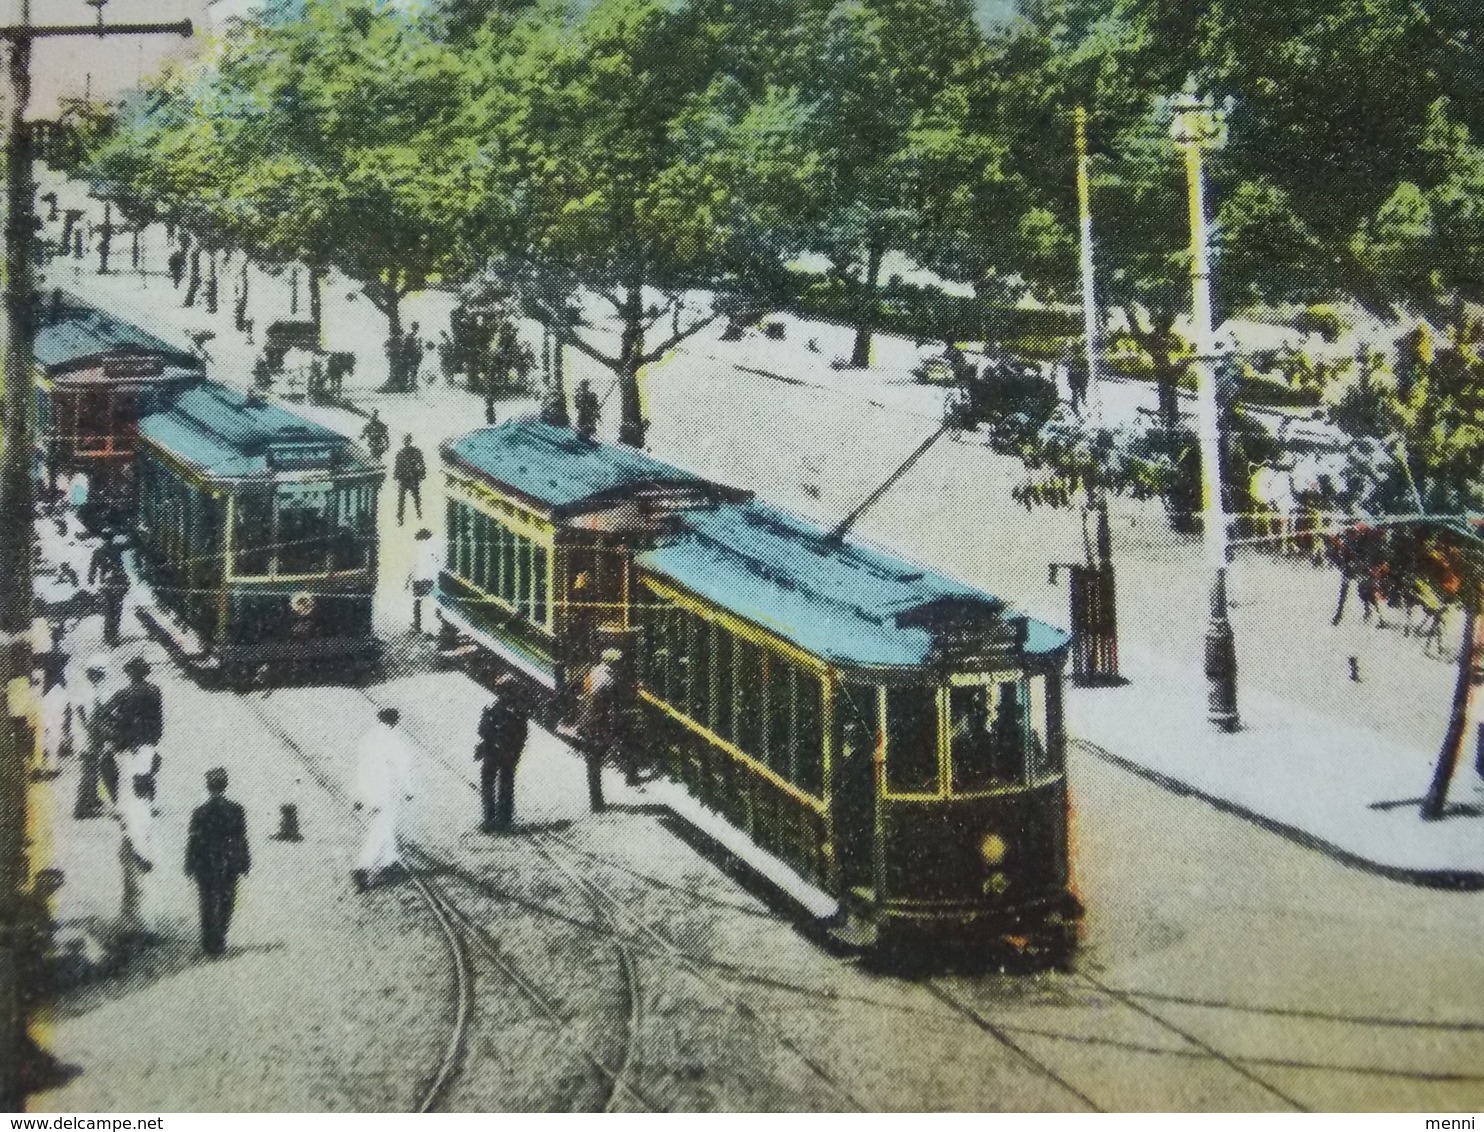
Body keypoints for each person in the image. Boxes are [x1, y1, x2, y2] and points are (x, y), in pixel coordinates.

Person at [185, 768, 251, 956]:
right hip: (228, 863)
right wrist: (244, 862)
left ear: (208, 786)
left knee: (206, 901)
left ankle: (208, 942)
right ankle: (220, 938)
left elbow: (193, 840)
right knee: (226, 901)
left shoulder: (200, 812)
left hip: (205, 864)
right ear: (225, 784)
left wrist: (189, 864)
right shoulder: (237, 810)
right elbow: (241, 838)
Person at [351, 707, 415, 891]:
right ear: (395, 721)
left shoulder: (366, 738)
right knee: (380, 828)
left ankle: (391, 862)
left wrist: (357, 794)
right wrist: (408, 789)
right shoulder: (393, 739)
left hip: (368, 790)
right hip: (387, 790)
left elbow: (360, 767)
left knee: (383, 826)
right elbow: (402, 766)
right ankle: (362, 867)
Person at [569, 648, 635, 813]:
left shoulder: (594, 673)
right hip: (599, 724)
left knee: (593, 763)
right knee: (601, 757)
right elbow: (605, 705)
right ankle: (599, 801)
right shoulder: (608, 679)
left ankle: (596, 801)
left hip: (591, 724)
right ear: (613, 662)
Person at [101, 656, 162, 806]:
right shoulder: (154, 691)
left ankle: (122, 804)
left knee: (124, 773)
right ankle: (147, 802)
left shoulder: (123, 694)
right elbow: (159, 717)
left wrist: (116, 724)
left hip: (125, 738)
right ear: (145, 673)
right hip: (146, 736)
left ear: (129, 674)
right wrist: (156, 735)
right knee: (145, 770)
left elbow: (104, 712)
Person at [475, 674, 529, 832]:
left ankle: (490, 819)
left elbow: (482, 730)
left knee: (489, 783)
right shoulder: (519, 710)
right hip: (508, 752)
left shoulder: (493, 707)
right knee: (505, 783)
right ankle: (504, 818)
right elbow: (522, 734)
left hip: (494, 751)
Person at [115, 767, 156, 942]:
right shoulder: (140, 808)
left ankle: (128, 927)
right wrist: (144, 858)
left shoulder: (134, 805)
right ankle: (135, 930)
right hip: (134, 852)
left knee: (130, 891)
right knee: (137, 891)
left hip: (128, 850)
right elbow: (135, 835)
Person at [70, 656, 110, 819]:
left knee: (93, 769)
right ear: (93, 674)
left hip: (89, 735)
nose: (102, 677)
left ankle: (92, 799)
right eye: (99, 674)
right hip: (88, 737)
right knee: (89, 771)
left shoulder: (91, 688)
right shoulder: (88, 691)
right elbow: (87, 718)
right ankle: (81, 808)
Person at [89, 535, 129, 647]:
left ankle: (108, 635)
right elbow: (131, 544)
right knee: (116, 610)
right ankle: (114, 634)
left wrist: (91, 581)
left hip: (107, 585)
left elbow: (92, 570)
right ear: (112, 539)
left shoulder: (98, 551)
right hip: (119, 583)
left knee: (109, 610)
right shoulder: (117, 549)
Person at [409, 528, 440, 634]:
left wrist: (408, 579)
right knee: (432, 601)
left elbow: (414, 565)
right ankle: (432, 626)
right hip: (430, 579)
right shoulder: (433, 548)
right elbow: (436, 563)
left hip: (418, 577)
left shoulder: (418, 548)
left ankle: (417, 625)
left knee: (417, 601)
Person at [392, 435, 426, 526]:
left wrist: (422, 473)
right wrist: (396, 475)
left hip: (412, 478)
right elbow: (397, 466)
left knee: (416, 497)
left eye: (407, 440)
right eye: (405, 440)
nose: (406, 442)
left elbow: (421, 463)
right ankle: (400, 518)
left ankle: (418, 514)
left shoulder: (415, 452)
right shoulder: (401, 453)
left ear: (409, 441)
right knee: (402, 499)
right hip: (405, 478)